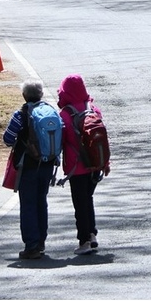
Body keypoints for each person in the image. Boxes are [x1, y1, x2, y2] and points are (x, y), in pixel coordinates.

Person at [3, 78, 60, 259]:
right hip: (47, 164)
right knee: (41, 202)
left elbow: (8, 139)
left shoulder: (21, 115)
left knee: (28, 204)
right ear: (41, 94)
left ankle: (31, 245)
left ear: (24, 95)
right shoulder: (51, 111)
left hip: (27, 167)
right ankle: (41, 241)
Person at [56, 74, 107, 256]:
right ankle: (92, 233)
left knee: (80, 203)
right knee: (88, 198)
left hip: (76, 167)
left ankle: (84, 240)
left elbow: (61, 141)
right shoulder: (93, 109)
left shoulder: (65, 114)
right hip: (95, 164)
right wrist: (104, 162)